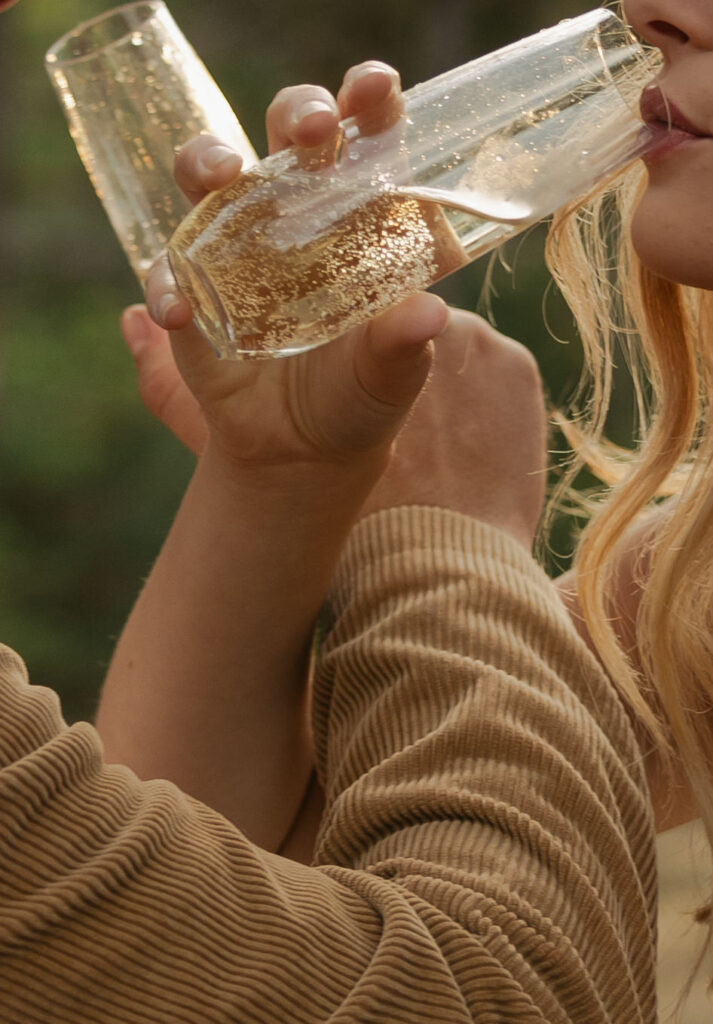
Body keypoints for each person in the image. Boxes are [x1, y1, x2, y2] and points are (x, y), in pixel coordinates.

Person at [0, 6, 676, 1024]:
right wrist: (436, 528)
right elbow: (230, 899)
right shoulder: (675, 592)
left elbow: (182, 915)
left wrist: (283, 477)